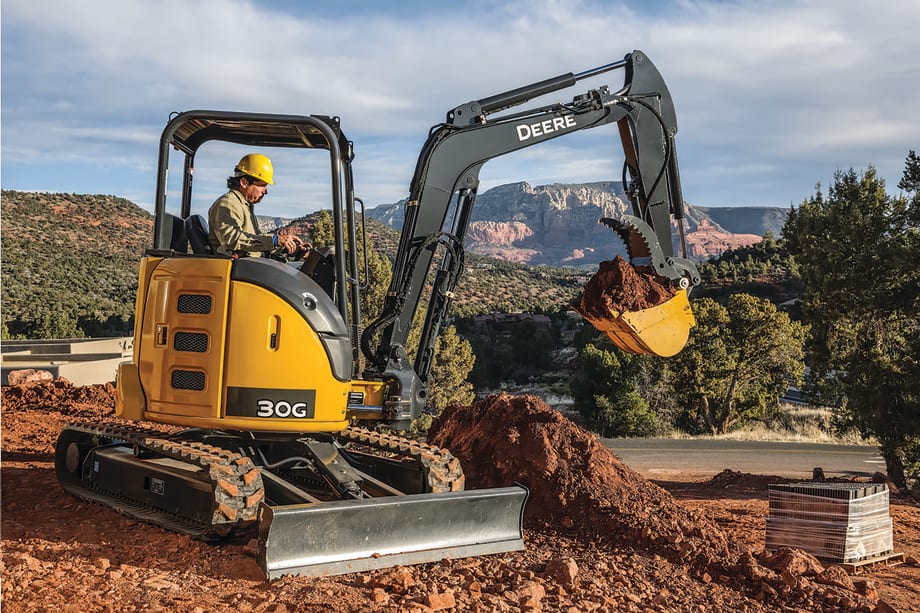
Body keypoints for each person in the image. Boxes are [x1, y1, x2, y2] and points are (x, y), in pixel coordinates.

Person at [207, 153, 306, 258]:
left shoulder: (244, 205)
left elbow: (255, 242)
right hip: (239, 269)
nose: (265, 191)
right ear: (244, 182)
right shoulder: (227, 204)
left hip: (251, 266)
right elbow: (232, 239)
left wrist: (288, 248)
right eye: (262, 185)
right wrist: (274, 240)